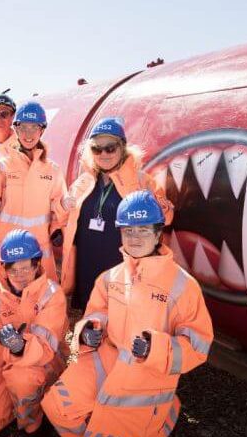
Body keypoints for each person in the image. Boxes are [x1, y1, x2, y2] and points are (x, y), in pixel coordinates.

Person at [42, 190, 213, 437]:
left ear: (159, 233)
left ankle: (167, 410)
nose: (135, 237)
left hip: (149, 376)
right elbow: (95, 313)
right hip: (107, 359)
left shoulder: (183, 286)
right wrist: (89, 331)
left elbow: (198, 345)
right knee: (56, 406)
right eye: (128, 230)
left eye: (143, 229)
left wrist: (155, 349)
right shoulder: (109, 278)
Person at [61, 117, 174, 310]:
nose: (104, 154)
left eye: (110, 148)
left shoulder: (142, 181)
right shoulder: (84, 181)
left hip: (119, 263)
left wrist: (159, 207)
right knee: (90, 315)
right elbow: (65, 218)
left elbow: (167, 217)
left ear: (123, 148)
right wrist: (62, 206)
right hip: (86, 262)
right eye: (97, 148)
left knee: (118, 313)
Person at [0, 230, 68, 437]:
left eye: (26, 267)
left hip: (46, 365)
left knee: (23, 379)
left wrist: (20, 347)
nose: (21, 275)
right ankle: (25, 400)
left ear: (37, 264)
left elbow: (47, 349)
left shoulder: (52, 294)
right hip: (7, 368)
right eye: (14, 269)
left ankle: (32, 426)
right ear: (4, 268)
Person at [0, 101, 67, 291]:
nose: (28, 134)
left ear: (42, 130)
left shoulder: (53, 170)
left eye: (34, 127)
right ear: (16, 130)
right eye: (23, 127)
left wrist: (57, 229)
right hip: (4, 248)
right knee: (0, 304)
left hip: (36, 249)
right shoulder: (2, 166)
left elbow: (58, 205)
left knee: (40, 300)